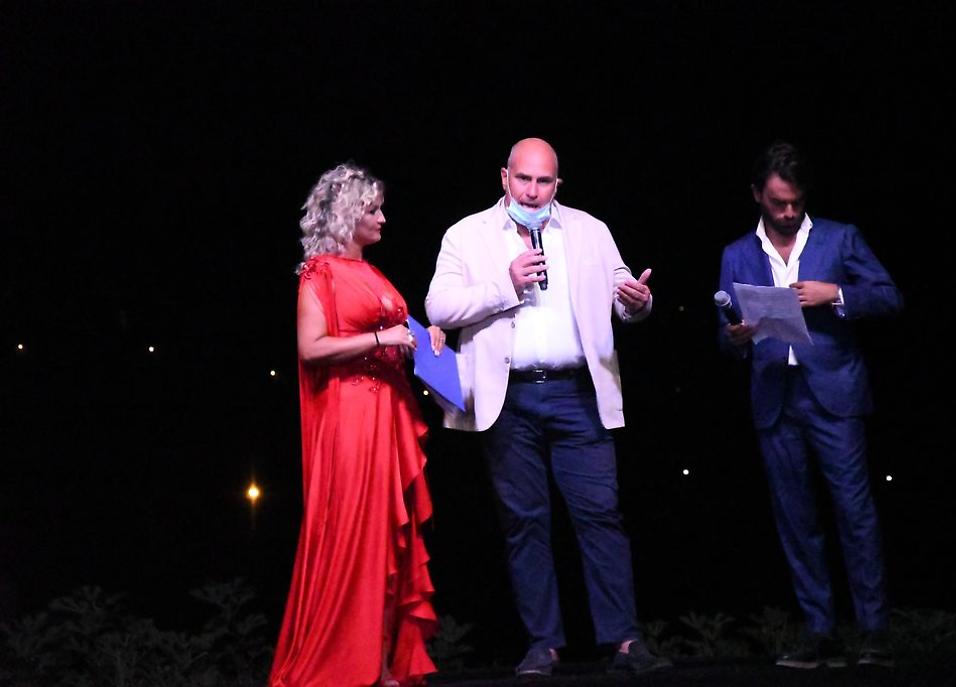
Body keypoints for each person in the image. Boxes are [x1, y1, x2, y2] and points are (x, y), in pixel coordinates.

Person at [424, 138, 670, 676]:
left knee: (600, 515)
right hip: (508, 398)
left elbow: (623, 294)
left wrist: (638, 303)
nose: (533, 192)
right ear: (504, 178)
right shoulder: (467, 234)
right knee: (525, 522)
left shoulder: (589, 230)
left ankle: (624, 639)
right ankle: (543, 644)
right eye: (524, 179)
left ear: (558, 184)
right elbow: (438, 306)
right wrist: (504, 284)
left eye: (544, 182)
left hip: (577, 393)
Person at [718, 141, 902, 669]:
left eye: (796, 202)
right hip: (776, 398)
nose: (788, 211)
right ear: (757, 195)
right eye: (778, 202)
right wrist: (735, 337)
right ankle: (820, 632)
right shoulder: (737, 254)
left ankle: (874, 632)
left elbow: (888, 295)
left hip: (833, 395)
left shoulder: (840, 237)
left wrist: (836, 294)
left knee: (855, 514)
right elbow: (724, 336)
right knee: (797, 521)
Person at [270, 162, 444, 687]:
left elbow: (398, 332)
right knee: (356, 536)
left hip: (388, 413)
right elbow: (311, 347)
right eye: (373, 210)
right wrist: (381, 339)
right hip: (349, 418)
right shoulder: (319, 273)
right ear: (347, 215)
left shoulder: (372, 274)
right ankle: (351, 662)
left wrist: (426, 337)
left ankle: (382, 661)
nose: (383, 218)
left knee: (387, 537)